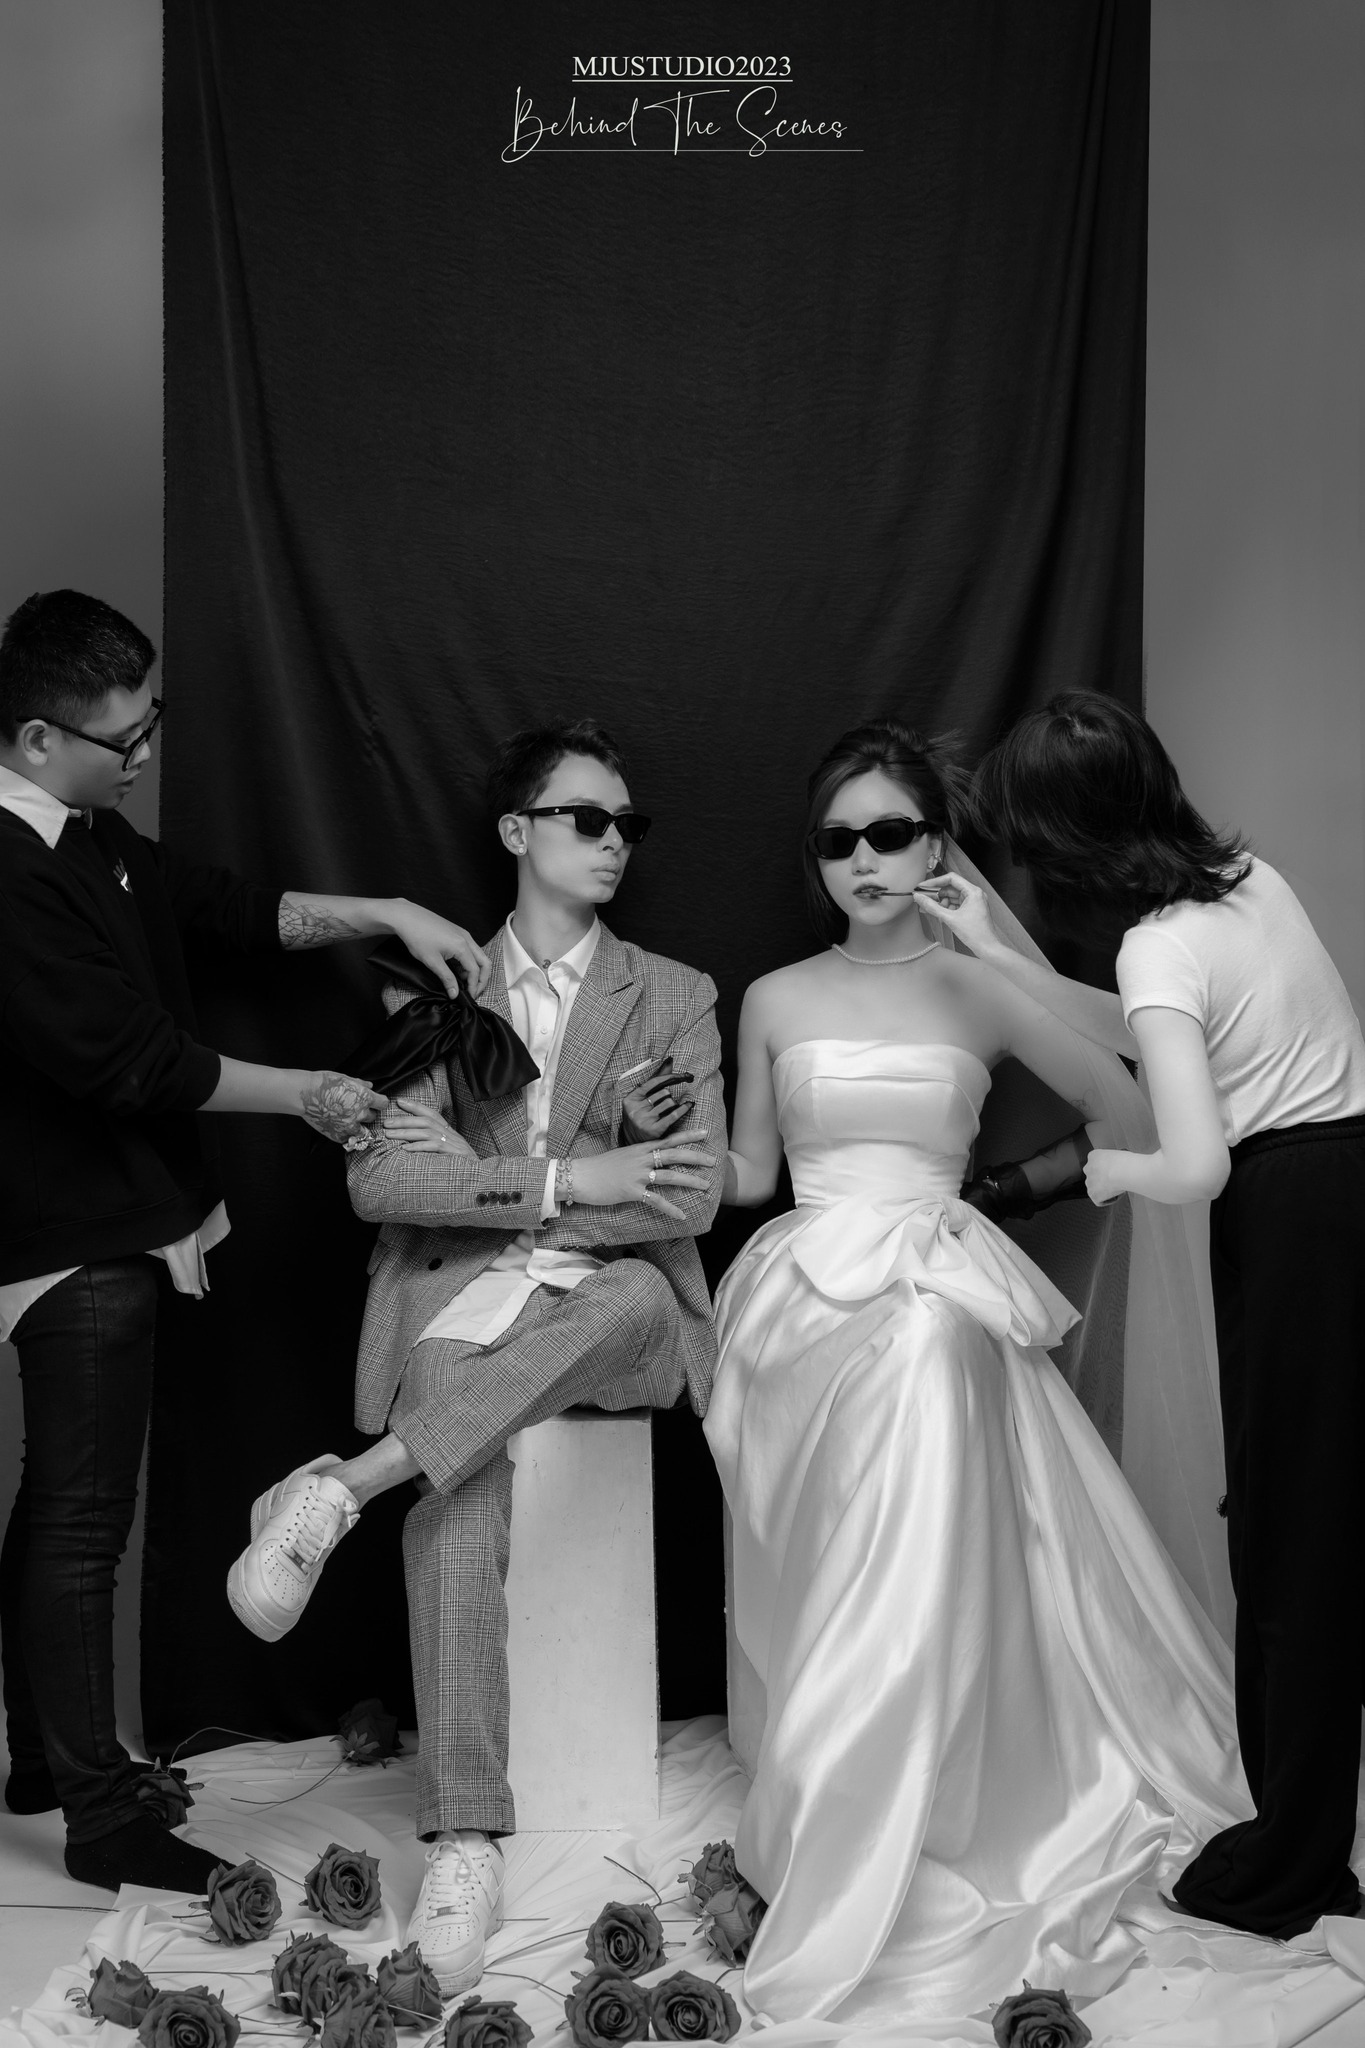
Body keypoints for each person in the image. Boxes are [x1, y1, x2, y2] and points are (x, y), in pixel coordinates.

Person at [704, 717, 1249, 2026]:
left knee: (929, 1348)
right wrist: (655, 1140)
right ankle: (836, 1776)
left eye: (891, 833)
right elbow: (750, 1174)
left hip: (933, 1284)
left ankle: (883, 1807)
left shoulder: (981, 987)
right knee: (880, 1402)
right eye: (838, 841)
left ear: (937, 846)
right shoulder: (773, 996)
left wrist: (997, 1194)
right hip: (799, 1288)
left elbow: (1132, 1110)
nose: (863, 861)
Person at [0, 588, 491, 1893]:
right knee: (83, 1522)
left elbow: (222, 907)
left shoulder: (91, 832)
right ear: (39, 740)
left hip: (123, 1210)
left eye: (151, 722)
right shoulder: (11, 871)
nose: (143, 754)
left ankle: (41, 1761)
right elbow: (136, 1061)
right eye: (123, 738)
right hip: (72, 1230)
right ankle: (102, 1815)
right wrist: (315, 1095)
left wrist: (385, 908)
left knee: (56, 1503)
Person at [228, 719, 724, 1996]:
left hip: (619, 1311)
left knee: (635, 1293)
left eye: (627, 824)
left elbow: (686, 1197)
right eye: (586, 817)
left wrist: (504, 1187)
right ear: (517, 829)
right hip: (458, 1305)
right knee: (458, 1426)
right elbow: (385, 1182)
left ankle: (341, 1487)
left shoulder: (676, 995)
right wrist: (578, 1172)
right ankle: (463, 1836)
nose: (615, 841)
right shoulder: (436, 986)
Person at [927, 690, 1365, 1939]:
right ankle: (1302, 1832)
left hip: (1289, 1210)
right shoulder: (1247, 885)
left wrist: (1113, 1170)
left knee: (1291, 1537)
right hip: (1341, 1187)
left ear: (1061, 837)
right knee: (1305, 1520)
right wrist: (1003, 955)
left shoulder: (1158, 945)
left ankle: (1295, 1858)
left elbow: (1197, 1161)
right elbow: (1149, 1028)